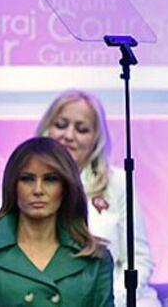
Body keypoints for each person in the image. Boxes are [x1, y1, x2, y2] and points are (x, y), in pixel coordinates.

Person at [0, 137, 113, 306]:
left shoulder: (95, 258)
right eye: (27, 179)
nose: (38, 190)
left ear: (66, 187)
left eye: (50, 179)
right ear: (13, 186)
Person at [37, 90, 160, 307]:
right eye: (61, 125)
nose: (68, 135)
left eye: (81, 129)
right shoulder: (20, 180)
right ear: (47, 128)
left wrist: (111, 299)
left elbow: (139, 260)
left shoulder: (118, 183)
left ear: (96, 138)